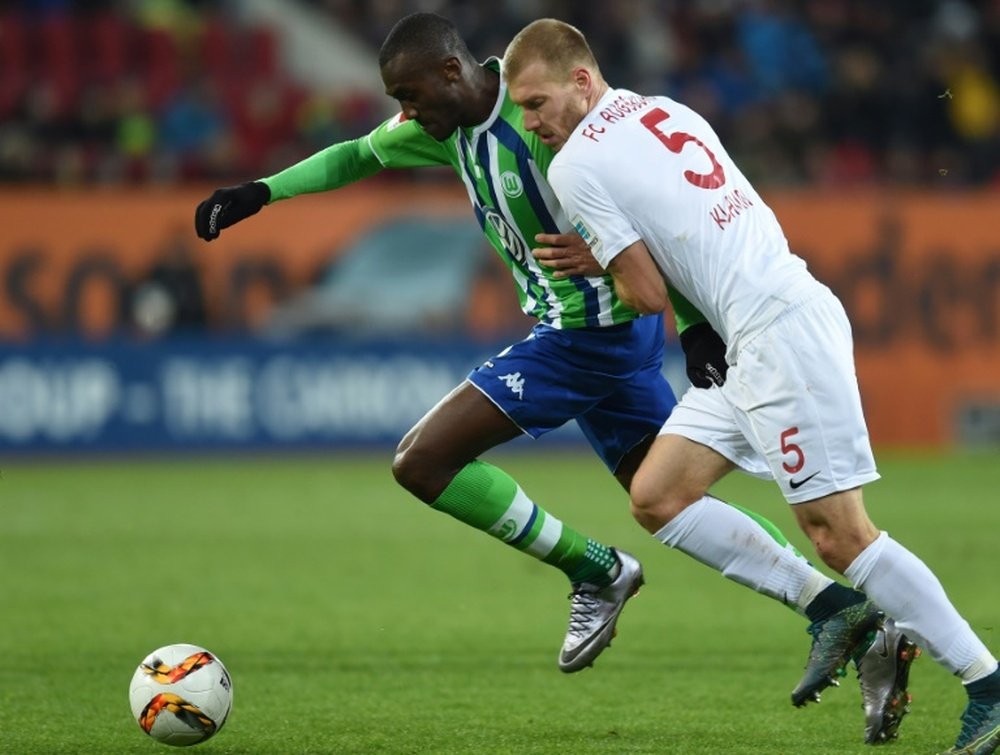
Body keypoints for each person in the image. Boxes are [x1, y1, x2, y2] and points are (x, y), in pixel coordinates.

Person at [196, 13, 907, 742]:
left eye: (410, 95)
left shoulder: (544, 120)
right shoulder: (440, 130)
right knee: (666, 499)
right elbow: (354, 157)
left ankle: (595, 569)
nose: (404, 114)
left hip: (588, 336)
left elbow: (663, 212)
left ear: (452, 72)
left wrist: (693, 321)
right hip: (602, 339)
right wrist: (259, 191)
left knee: (423, 460)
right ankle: (838, 610)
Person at [502, 18, 999, 754]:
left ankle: (986, 684)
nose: (531, 123)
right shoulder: (667, 111)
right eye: (521, 109)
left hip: (776, 334)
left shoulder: (577, 167)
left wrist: (593, 258)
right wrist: (699, 322)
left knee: (841, 532)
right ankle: (836, 611)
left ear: (582, 81)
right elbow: (708, 225)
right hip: (752, 329)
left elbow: (641, 291)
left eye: (538, 103)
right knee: (658, 492)